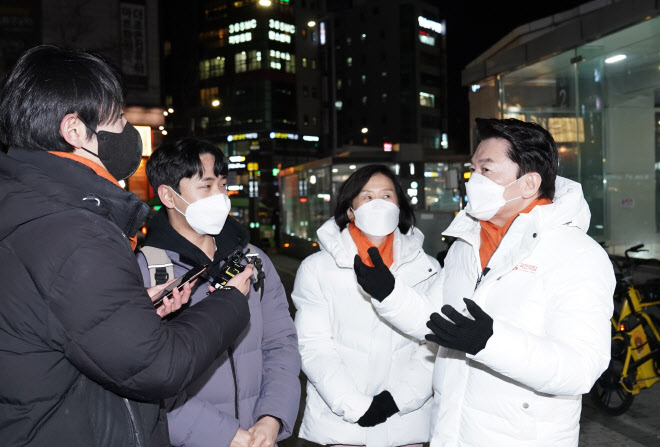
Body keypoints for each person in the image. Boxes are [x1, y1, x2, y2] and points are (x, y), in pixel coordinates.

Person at [0, 45, 251, 447]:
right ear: (75, 131)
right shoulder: (75, 231)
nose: (126, 132)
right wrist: (231, 302)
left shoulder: (31, 209)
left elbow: (67, 328)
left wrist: (133, 314)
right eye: (117, 119)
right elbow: (157, 366)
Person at [354, 118, 616, 446]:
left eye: (486, 170)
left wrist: (491, 342)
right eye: (472, 169)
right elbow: (434, 321)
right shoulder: (467, 245)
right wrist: (388, 293)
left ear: (528, 183)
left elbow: (581, 368)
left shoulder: (576, 254)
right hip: (451, 432)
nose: (473, 180)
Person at [137, 138, 301, 447]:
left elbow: (281, 345)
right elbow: (144, 376)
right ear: (168, 196)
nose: (220, 197)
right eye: (207, 186)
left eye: (222, 185)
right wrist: (221, 434)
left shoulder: (253, 261)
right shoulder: (146, 273)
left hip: (259, 437)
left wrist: (272, 417)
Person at [292, 164, 440, 447]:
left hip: (406, 428)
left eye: (387, 196)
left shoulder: (427, 268)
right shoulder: (317, 268)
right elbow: (313, 346)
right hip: (340, 430)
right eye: (367, 197)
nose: (378, 205)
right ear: (350, 209)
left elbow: (433, 346)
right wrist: (355, 406)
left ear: (399, 205)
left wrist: (395, 401)